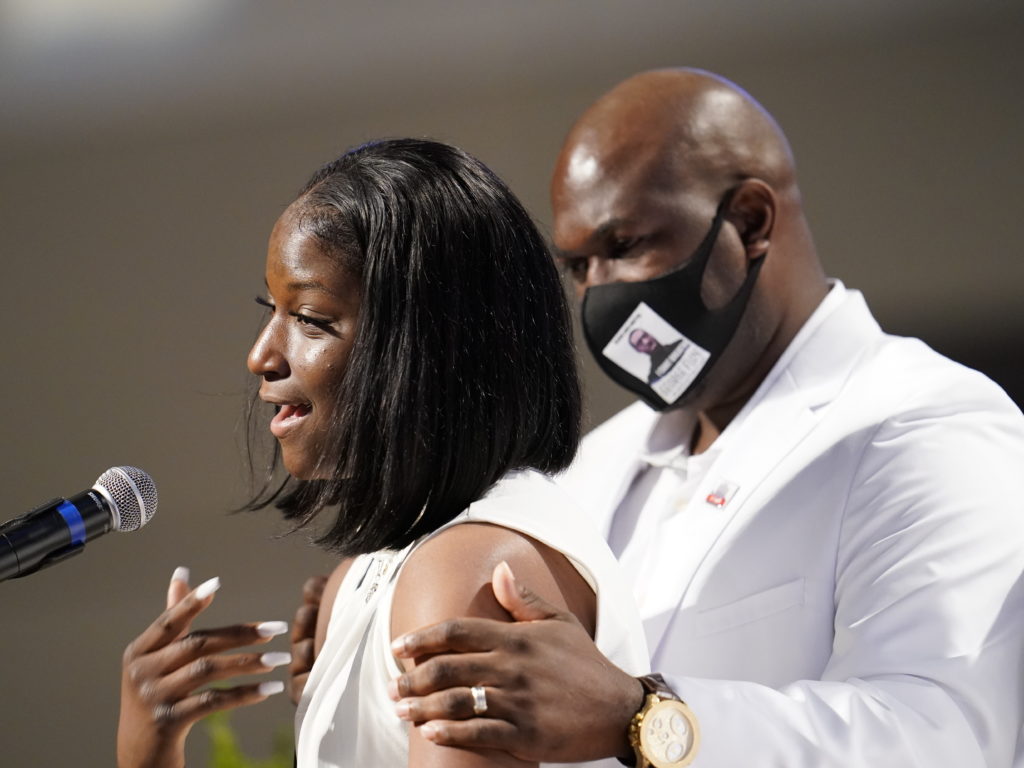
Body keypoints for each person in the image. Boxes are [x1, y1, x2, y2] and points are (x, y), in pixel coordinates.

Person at [369, 70, 1024, 767]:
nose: (600, 296)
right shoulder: (595, 465)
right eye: (579, 267)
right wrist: (372, 636)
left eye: (624, 247)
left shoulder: (928, 427)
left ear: (749, 221)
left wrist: (640, 715)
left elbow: (941, 737)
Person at [116, 138, 648, 768]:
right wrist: (151, 749)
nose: (260, 355)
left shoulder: (466, 571)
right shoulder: (377, 570)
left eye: (311, 318)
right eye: (272, 311)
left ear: (429, 350)